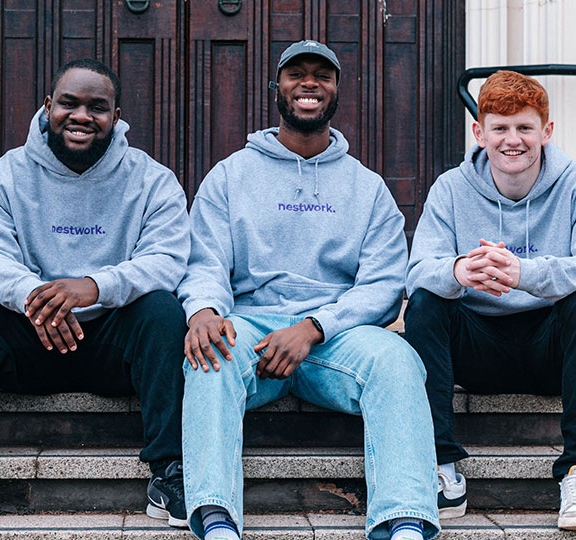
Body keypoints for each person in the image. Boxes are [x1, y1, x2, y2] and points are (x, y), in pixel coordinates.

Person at [0, 58, 191, 528]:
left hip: (114, 346)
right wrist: (38, 297)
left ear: (116, 117)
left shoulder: (152, 180)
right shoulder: (4, 174)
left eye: (98, 107)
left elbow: (168, 259)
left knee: (163, 311)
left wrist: (94, 286)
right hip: (30, 340)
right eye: (69, 103)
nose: (81, 117)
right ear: (47, 106)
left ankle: (171, 474)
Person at [178, 40, 440, 540]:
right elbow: (204, 261)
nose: (309, 84)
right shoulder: (231, 176)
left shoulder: (366, 187)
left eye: (322, 75)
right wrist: (204, 310)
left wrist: (315, 327)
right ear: (276, 87)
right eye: (296, 73)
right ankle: (216, 518)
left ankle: (403, 517)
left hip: (335, 336)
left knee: (398, 360)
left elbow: (385, 284)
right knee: (207, 355)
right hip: (252, 327)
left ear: (338, 90)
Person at [404, 70, 576, 531]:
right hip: (476, 349)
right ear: (479, 133)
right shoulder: (451, 188)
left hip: (550, 349)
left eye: (524, 127)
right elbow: (417, 271)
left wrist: (525, 274)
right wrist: (459, 270)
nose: (512, 140)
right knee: (424, 301)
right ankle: (441, 467)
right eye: (500, 128)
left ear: (547, 131)